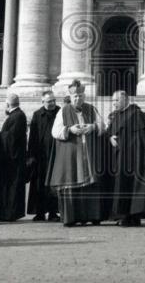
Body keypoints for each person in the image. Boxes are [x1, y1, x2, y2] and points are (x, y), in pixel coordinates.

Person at [50, 81, 107, 227]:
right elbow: (55, 131)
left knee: (91, 185)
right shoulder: (62, 111)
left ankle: (93, 216)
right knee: (71, 182)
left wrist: (93, 127)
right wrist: (70, 130)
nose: (77, 99)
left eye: (80, 96)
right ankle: (71, 218)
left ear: (84, 95)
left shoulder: (91, 109)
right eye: (75, 96)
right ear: (70, 96)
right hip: (71, 154)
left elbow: (103, 126)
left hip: (88, 153)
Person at [106, 91, 145, 226]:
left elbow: (144, 139)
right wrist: (110, 137)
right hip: (120, 157)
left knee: (132, 187)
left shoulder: (136, 114)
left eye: (116, 100)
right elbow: (110, 132)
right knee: (122, 186)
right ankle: (124, 215)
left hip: (134, 159)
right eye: (113, 101)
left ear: (125, 99)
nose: (114, 103)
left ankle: (132, 216)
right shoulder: (117, 115)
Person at [27, 91, 60, 222]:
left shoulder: (60, 112)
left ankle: (53, 212)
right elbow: (33, 136)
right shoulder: (37, 114)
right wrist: (31, 155)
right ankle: (39, 212)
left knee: (54, 184)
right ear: (43, 102)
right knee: (39, 184)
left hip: (55, 154)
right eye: (49, 101)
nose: (52, 103)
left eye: (53, 100)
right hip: (40, 156)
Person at [0, 93, 28, 221]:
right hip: (12, 156)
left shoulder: (18, 116)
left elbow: (12, 137)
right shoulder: (16, 115)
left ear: (7, 104)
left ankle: (11, 213)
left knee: (13, 186)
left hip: (14, 158)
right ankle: (9, 212)